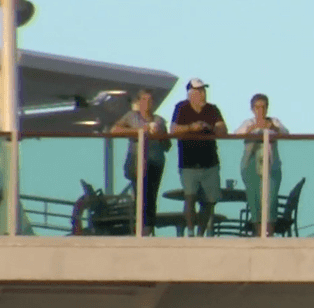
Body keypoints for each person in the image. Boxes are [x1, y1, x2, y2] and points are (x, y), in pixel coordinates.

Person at [170, 78, 227, 236]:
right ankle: (190, 231)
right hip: (188, 163)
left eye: (203, 91)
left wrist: (210, 127)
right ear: (191, 94)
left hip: (210, 162)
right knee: (190, 197)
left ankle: (201, 233)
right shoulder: (181, 108)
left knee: (209, 201)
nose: (203, 94)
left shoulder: (212, 109)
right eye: (199, 91)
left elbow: (223, 130)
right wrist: (191, 127)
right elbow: (173, 130)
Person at [111, 89, 171, 236]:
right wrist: (139, 131)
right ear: (139, 102)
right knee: (140, 193)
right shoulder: (131, 116)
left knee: (152, 195)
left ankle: (148, 228)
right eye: (144, 100)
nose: (147, 104)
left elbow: (167, 146)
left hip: (156, 162)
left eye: (150, 100)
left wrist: (159, 135)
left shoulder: (159, 121)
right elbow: (114, 130)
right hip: (137, 160)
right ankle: (138, 227)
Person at [235, 93, 289, 236]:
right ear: (252, 109)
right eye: (257, 107)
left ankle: (268, 235)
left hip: (271, 166)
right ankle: (258, 234)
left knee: (270, 201)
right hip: (251, 166)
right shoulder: (248, 123)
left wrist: (272, 128)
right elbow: (236, 134)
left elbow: (286, 133)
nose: (260, 110)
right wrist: (253, 128)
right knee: (254, 200)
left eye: (263, 107)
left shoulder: (273, 122)